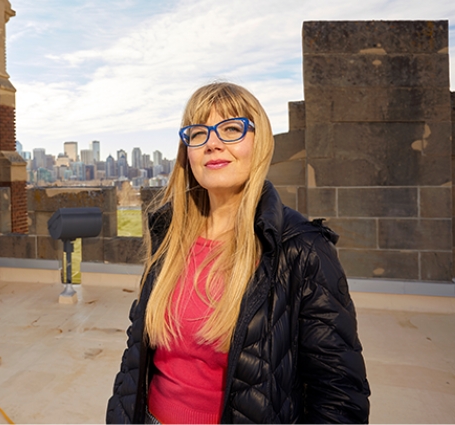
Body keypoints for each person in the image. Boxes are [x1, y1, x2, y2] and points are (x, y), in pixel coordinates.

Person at [106, 82, 370, 424]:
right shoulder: (169, 236)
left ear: (259, 144)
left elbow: (337, 394)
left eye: (231, 129)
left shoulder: (302, 248)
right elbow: (136, 354)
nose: (213, 143)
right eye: (198, 133)